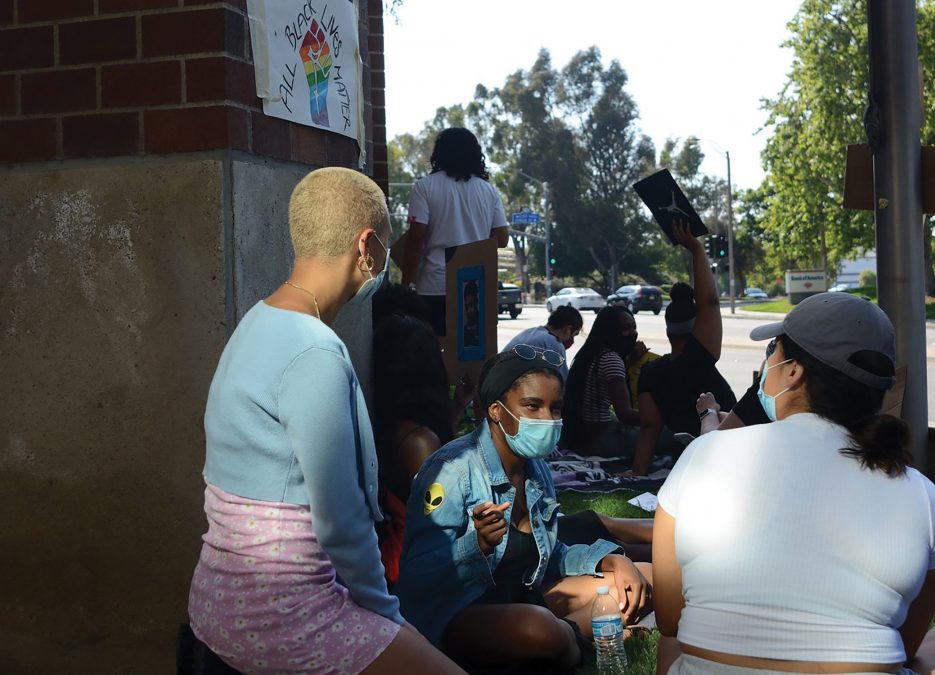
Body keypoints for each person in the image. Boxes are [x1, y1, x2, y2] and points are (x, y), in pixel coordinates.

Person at [652, 292, 935, 675]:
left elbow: (670, 621)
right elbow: (902, 647)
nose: (766, 361)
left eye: (772, 349)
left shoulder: (707, 452)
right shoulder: (918, 491)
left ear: (793, 370)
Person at [187, 167, 465, 674]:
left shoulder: (257, 320)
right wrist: (388, 616)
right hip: (281, 615)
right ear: (366, 246)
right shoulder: (314, 350)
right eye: (385, 245)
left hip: (215, 602)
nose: (386, 260)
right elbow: (341, 522)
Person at [395, 349, 653, 672]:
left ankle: (563, 640)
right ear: (496, 411)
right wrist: (476, 545)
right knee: (539, 630)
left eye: (555, 408)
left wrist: (611, 559)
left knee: (644, 579)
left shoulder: (536, 469)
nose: (547, 419)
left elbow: (552, 553)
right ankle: (572, 642)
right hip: (460, 613)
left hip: (525, 597)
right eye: (533, 406)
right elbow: (417, 577)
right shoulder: (451, 471)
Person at [372, 312, 473, 587]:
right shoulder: (418, 441)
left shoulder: (397, 423)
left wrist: (458, 406)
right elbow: (441, 514)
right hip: (419, 568)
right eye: (438, 351)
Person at [632, 223, 737, 474]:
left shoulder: (650, 372)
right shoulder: (702, 355)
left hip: (686, 461)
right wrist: (696, 249)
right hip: (729, 453)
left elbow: (650, 427)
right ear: (696, 329)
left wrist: (637, 472)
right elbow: (709, 303)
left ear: (668, 331)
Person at [401, 127, 510, 336]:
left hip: (434, 285)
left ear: (439, 154)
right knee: (470, 355)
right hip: (474, 287)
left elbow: (416, 238)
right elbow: (502, 238)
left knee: (434, 351)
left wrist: (406, 286)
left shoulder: (425, 187)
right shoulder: (489, 191)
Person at [561, 305, 641, 456]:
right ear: (611, 331)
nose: (632, 334)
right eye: (626, 329)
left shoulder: (590, 354)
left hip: (579, 436)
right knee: (667, 432)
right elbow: (625, 415)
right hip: (601, 439)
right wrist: (659, 417)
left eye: (634, 327)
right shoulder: (611, 360)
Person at [501, 304, 584, 381]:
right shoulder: (554, 344)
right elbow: (562, 382)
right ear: (567, 329)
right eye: (574, 334)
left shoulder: (530, 332)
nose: (572, 340)